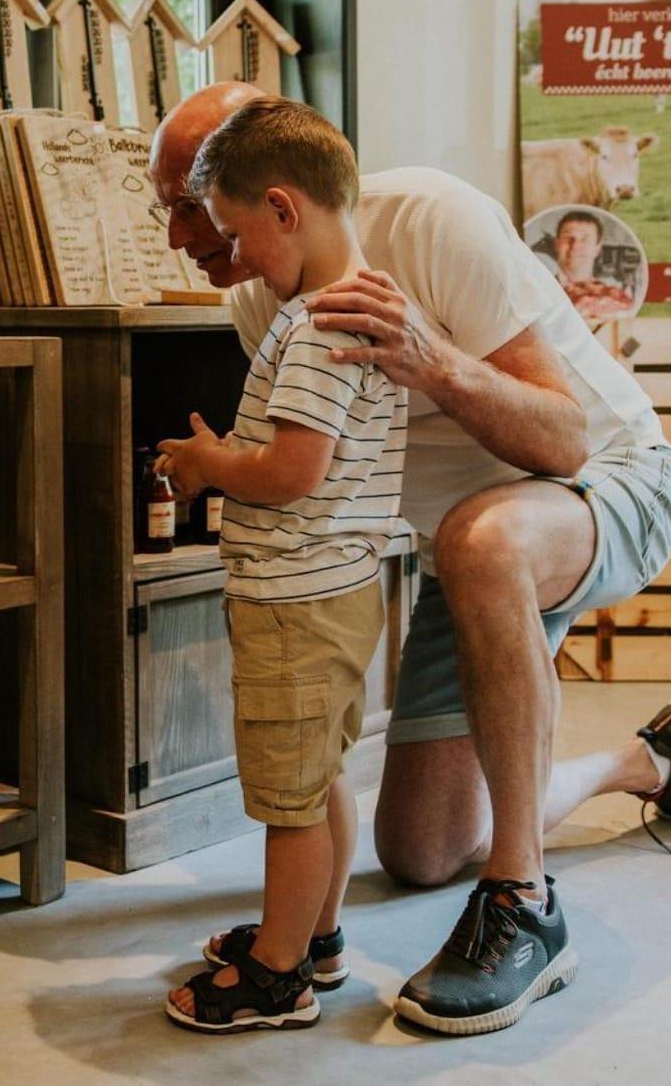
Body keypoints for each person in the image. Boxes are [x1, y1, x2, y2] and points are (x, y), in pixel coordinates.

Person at [149, 83, 671, 1036]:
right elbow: (323, 473)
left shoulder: (432, 219)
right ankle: (646, 759)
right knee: (421, 848)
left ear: (269, 186)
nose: (179, 236)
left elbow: (567, 439)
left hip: (613, 485)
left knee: (481, 538)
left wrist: (434, 359)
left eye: (191, 205)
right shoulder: (261, 294)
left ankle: (525, 903)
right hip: (466, 554)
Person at [154, 98, 410, 1034]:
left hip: (295, 600)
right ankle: (314, 933)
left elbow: (292, 472)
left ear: (283, 207)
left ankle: (274, 975)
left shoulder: (312, 326)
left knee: (288, 802)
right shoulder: (370, 303)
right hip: (338, 591)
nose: (235, 256)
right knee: (320, 774)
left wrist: (208, 463)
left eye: (234, 234)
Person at [551, 210, 605, 286]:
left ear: (597, 248)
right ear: (556, 244)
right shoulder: (539, 286)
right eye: (567, 237)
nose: (575, 246)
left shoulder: (610, 292)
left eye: (584, 239)